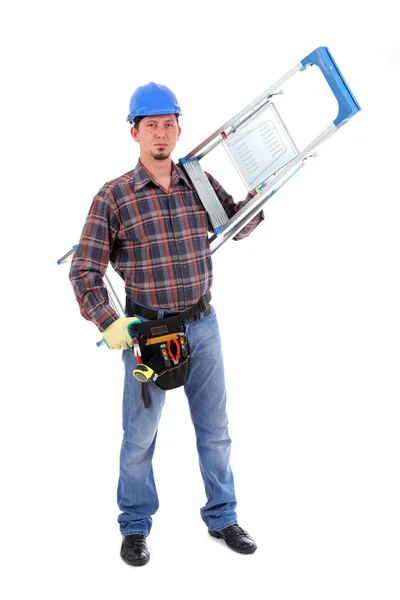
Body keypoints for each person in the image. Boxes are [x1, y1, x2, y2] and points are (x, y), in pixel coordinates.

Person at [69, 82, 264, 567]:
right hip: (148, 335)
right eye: (151, 125)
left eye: (169, 123)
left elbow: (234, 225)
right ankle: (134, 526)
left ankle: (223, 516)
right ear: (135, 132)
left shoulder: (198, 180)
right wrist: (109, 321)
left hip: (203, 325)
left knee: (214, 429)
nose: (161, 132)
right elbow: (84, 268)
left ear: (179, 129)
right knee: (139, 435)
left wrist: (254, 204)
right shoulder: (113, 197)